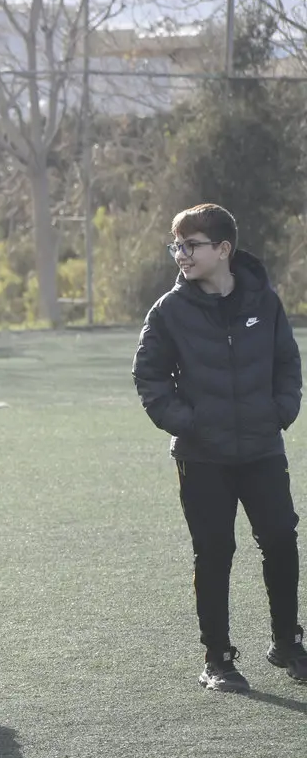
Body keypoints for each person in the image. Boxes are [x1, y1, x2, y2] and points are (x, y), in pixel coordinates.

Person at [133, 203, 307, 691]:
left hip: (262, 448)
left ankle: (287, 644)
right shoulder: (168, 311)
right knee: (214, 551)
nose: (181, 255)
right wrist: (190, 424)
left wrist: (280, 411)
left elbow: (287, 363)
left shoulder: (265, 302)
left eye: (191, 245)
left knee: (280, 540)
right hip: (202, 456)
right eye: (176, 246)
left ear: (223, 249)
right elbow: (148, 376)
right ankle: (218, 658)